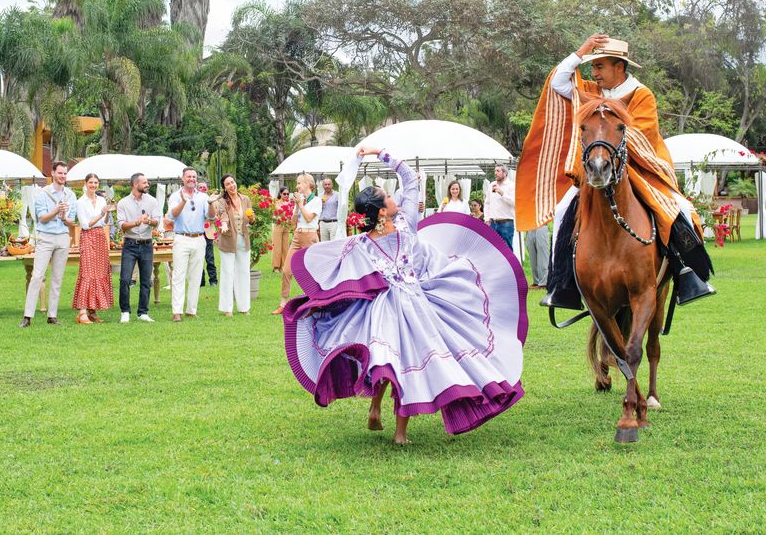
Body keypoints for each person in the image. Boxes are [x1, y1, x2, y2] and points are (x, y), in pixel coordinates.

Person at [281, 146, 527, 445]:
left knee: (387, 357)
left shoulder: (362, 242)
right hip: (413, 304)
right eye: (386, 196)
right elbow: (410, 180)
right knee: (409, 361)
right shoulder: (405, 225)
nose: (393, 197)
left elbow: (335, 266)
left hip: (382, 307)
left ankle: (375, 407)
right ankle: (399, 434)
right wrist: (382, 154)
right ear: (383, 210)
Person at [515, 34, 713, 310]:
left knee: (679, 207)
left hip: (641, 168)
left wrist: (606, 141)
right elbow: (559, 82)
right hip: (597, 170)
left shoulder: (641, 94)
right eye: (592, 67)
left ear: (619, 66)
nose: (593, 73)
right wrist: (580, 52)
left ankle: (686, 275)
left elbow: (641, 135)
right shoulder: (590, 92)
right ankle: (562, 284)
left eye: (599, 67)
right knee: (562, 211)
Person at [21, 161, 78, 328]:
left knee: (58, 278)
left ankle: (52, 315)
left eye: (65, 173)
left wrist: (64, 216)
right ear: (53, 173)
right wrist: (56, 210)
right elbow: (42, 218)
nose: (63, 176)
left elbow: (71, 222)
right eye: (60, 173)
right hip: (45, 237)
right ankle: (27, 316)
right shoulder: (42, 194)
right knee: (37, 276)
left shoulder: (70, 195)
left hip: (62, 238)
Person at [166, 167, 210, 322]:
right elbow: (172, 215)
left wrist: (211, 203)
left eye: (194, 177)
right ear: (182, 179)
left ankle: (191, 310)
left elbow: (210, 216)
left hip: (199, 238)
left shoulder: (203, 196)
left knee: (196, 276)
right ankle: (177, 311)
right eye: (189, 177)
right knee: (178, 275)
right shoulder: (175, 196)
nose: (192, 179)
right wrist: (183, 201)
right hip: (182, 238)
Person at [115, 172, 159, 323]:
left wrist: (149, 221)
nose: (147, 185)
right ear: (135, 185)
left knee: (146, 280)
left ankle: (143, 312)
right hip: (130, 244)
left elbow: (157, 222)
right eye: (144, 182)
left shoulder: (152, 201)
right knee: (125, 279)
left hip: (147, 243)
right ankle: (125, 311)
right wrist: (136, 222)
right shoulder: (123, 203)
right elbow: (122, 225)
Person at [275, 173, 321, 314]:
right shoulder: (300, 201)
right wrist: (296, 206)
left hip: (310, 236)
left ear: (307, 184)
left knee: (310, 272)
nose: (297, 186)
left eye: (299, 183)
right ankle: (283, 304)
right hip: (297, 236)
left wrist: (300, 205)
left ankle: (314, 302)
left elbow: (308, 218)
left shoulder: (316, 200)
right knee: (286, 270)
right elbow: (292, 221)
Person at [72, 174, 115, 324]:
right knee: (88, 273)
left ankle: (92, 311)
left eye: (96, 183)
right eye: (91, 182)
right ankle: (82, 311)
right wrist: (101, 213)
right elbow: (85, 224)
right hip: (87, 236)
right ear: (85, 183)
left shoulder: (102, 200)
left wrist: (108, 212)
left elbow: (105, 222)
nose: (93, 185)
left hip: (100, 236)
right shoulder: (80, 202)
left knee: (99, 272)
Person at [212, 174, 254, 316]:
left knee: (243, 273)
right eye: (228, 184)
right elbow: (223, 215)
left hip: (243, 239)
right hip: (228, 240)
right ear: (224, 187)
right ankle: (227, 308)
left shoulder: (245, 199)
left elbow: (250, 219)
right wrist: (223, 224)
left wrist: (252, 218)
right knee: (227, 273)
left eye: (233, 182)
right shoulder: (223, 201)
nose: (232, 185)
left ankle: (244, 308)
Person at [484, 165, 516, 247]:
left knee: (506, 250)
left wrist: (502, 193)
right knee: (492, 250)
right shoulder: (492, 185)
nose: (495, 173)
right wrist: (487, 219)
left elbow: (515, 203)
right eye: (495, 171)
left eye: (498, 171)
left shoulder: (511, 185)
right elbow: (487, 203)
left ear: (504, 173)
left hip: (506, 223)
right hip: (492, 223)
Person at [197, 181, 218, 287]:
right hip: (197, 233)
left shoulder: (211, 200)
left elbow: (216, 215)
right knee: (198, 259)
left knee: (210, 258)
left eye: (204, 187)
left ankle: (213, 280)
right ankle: (201, 281)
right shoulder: (194, 200)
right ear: (197, 188)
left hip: (208, 232)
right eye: (200, 187)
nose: (203, 188)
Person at [269, 187, 293, 272]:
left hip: (286, 225)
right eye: (284, 194)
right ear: (280, 194)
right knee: (277, 246)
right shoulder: (276, 203)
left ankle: (284, 265)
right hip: (278, 225)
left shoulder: (289, 203)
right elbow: (280, 211)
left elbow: (291, 213)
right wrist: (287, 208)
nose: (286, 195)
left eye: (287, 194)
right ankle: (276, 266)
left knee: (285, 246)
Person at [317, 178, 342, 242]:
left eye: (329, 184)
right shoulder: (320, 196)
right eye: (325, 184)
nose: (327, 186)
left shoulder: (337, 195)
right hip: (323, 223)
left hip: (333, 223)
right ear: (323, 186)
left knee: (333, 243)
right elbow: (317, 210)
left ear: (332, 185)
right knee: (324, 243)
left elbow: (341, 209)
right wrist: (320, 204)